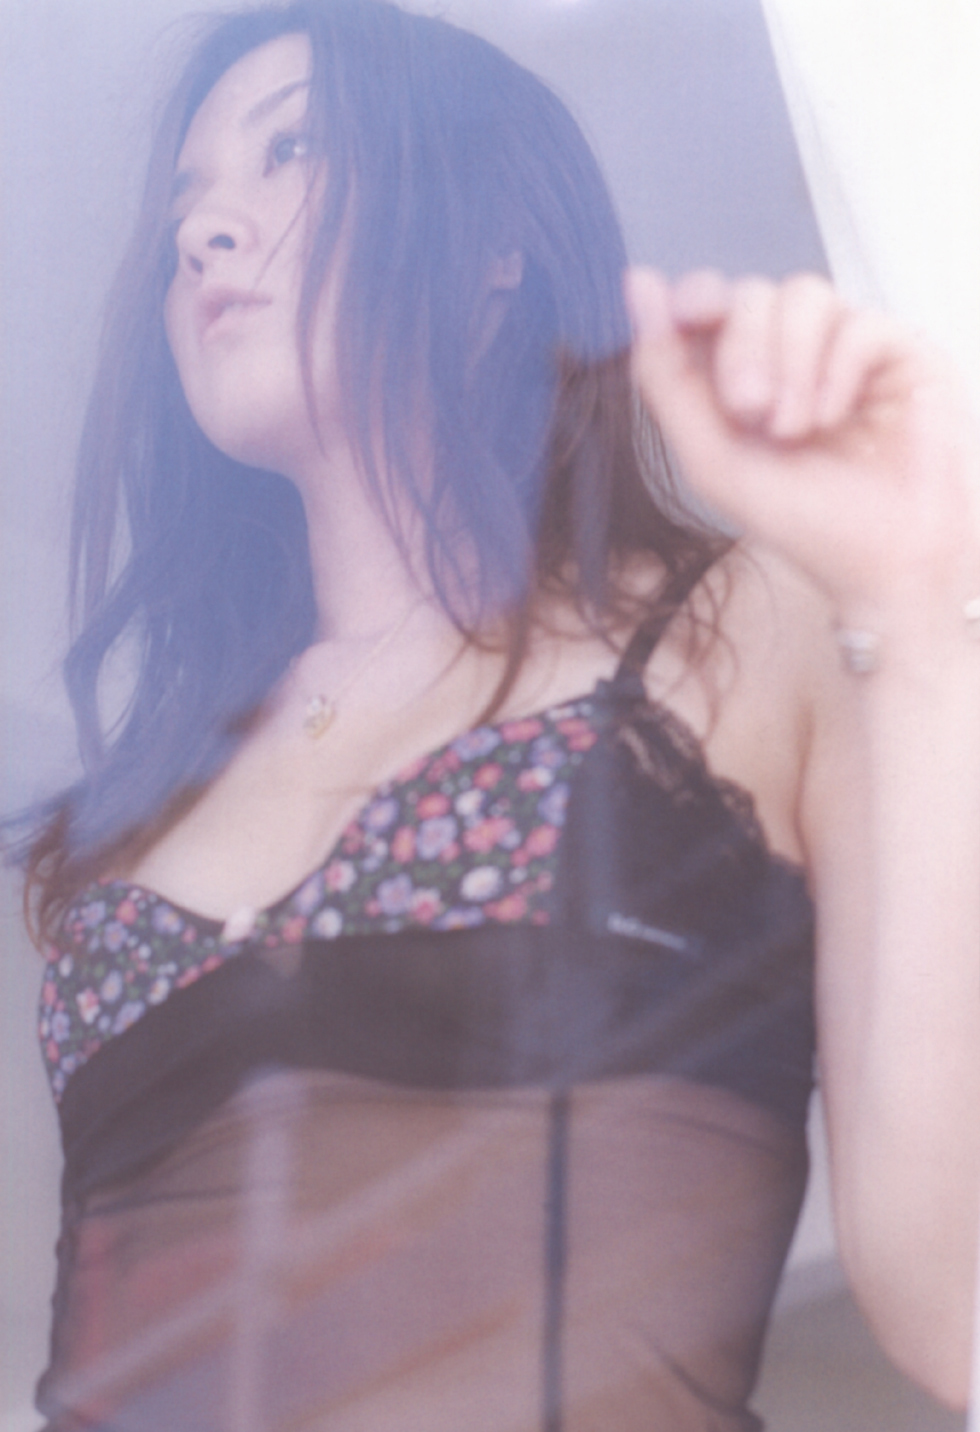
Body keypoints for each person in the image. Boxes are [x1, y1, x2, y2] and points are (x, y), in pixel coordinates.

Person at [19, 1, 979, 1427]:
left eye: (289, 150)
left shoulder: (742, 629)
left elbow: (956, 1302)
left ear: (491, 247)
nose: (205, 231)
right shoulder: (113, 834)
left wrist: (915, 602)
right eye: (187, 208)